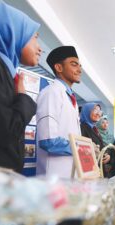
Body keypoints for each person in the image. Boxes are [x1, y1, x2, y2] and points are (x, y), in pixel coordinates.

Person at [0, 3, 41, 173]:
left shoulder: (1, 66)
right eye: (35, 37)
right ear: (12, 30)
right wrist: (23, 98)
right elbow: (2, 131)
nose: (39, 47)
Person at [36, 46, 81, 178]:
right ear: (59, 68)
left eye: (80, 65)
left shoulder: (70, 97)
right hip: (54, 176)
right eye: (74, 65)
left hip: (70, 175)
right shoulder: (51, 93)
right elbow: (48, 141)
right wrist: (82, 148)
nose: (79, 70)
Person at [80, 103, 115, 178]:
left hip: (99, 168)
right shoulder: (83, 127)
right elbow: (84, 150)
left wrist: (106, 155)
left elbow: (100, 146)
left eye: (99, 111)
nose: (98, 113)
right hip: (90, 171)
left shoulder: (94, 128)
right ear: (87, 111)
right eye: (95, 110)